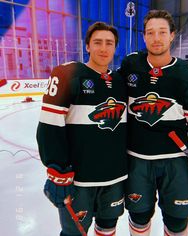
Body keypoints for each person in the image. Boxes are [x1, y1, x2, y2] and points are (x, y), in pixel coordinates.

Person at [118, 9, 188, 236]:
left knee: (177, 222)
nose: (156, 38)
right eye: (150, 33)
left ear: (172, 35)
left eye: (162, 32)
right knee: (138, 217)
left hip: (175, 162)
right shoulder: (130, 66)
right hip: (137, 160)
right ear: (144, 36)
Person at [37, 22, 127, 236]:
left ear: (115, 48)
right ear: (87, 46)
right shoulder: (68, 74)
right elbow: (49, 127)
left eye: (109, 43)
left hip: (114, 178)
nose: (104, 48)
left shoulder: (120, 82)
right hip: (79, 181)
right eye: (97, 43)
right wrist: (56, 169)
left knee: (108, 229)